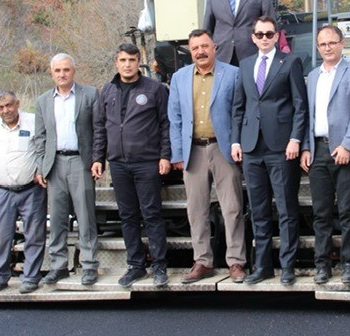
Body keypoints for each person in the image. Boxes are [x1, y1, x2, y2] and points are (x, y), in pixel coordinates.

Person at [231, 16, 308, 285]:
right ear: (253, 37)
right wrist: (236, 140)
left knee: (286, 209)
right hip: (252, 147)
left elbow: (300, 105)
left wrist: (296, 139)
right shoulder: (245, 65)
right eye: (259, 34)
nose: (264, 38)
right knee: (259, 210)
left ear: (277, 36)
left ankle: (287, 266)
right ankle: (262, 266)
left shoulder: (290, 63)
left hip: (281, 147)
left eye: (269, 34)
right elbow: (239, 107)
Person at [168, 29, 248, 283]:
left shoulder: (233, 74)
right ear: (190, 51)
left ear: (215, 47)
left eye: (204, 46)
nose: (200, 52)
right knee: (196, 210)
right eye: (195, 48)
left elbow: (240, 113)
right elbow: (175, 119)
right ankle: (203, 261)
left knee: (232, 208)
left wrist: (237, 143)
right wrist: (178, 153)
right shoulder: (179, 78)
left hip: (223, 150)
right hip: (193, 151)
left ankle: (236, 261)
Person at [92, 43, 172, 288]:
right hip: (118, 163)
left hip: (147, 162)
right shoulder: (107, 90)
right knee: (127, 216)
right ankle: (136, 265)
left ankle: (159, 266)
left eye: (132, 60)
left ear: (139, 62)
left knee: (152, 215)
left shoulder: (154, 89)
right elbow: (100, 127)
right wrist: (98, 157)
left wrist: (165, 155)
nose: (127, 64)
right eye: (123, 60)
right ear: (116, 62)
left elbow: (166, 124)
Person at [300, 25, 350, 285]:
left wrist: (348, 145)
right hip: (318, 151)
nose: (327, 48)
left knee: (348, 210)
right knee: (321, 213)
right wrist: (306, 147)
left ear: (342, 44)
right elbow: (308, 115)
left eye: (332, 43)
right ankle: (322, 265)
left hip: (344, 153)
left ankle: (349, 263)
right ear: (318, 48)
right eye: (322, 44)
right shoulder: (313, 75)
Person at [33, 53, 100, 286]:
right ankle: (58, 265)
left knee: (85, 216)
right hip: (54, 164)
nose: (62, 74)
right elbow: (40, 138)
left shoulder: (89, 94)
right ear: (51, 73)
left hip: (80, 162)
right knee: (58, 218)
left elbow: (98, 130)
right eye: (57, 71)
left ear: (74, 70)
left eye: (66, 70)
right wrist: (40, 167)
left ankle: (90, 265)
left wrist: (97, 159)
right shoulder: (43, 101)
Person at [0, 90, 46, 295]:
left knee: (34, 235)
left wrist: (41, 171)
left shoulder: (33, 122)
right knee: (0, 236)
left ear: (18, 103)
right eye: (0, 107)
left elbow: (45, 148)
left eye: (9, 105)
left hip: (31, 190)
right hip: (1, 191)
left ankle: (31, 277)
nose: (6, 110)